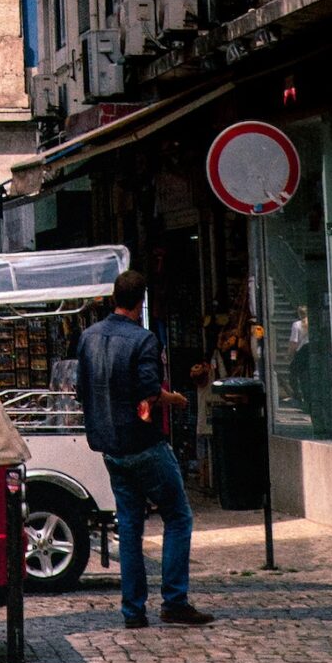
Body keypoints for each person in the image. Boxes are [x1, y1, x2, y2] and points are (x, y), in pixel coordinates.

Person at [76, 267, 213, 630]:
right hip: (144, 444)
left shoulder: (88, 337)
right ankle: (174, 600)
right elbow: (149, 391)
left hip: (110, 447)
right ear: (141, 301)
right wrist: (176, 400)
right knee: (178, 516)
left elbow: (81, 391)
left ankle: (133, 610)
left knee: (131, 526)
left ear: (113, 298)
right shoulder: (144, 340)